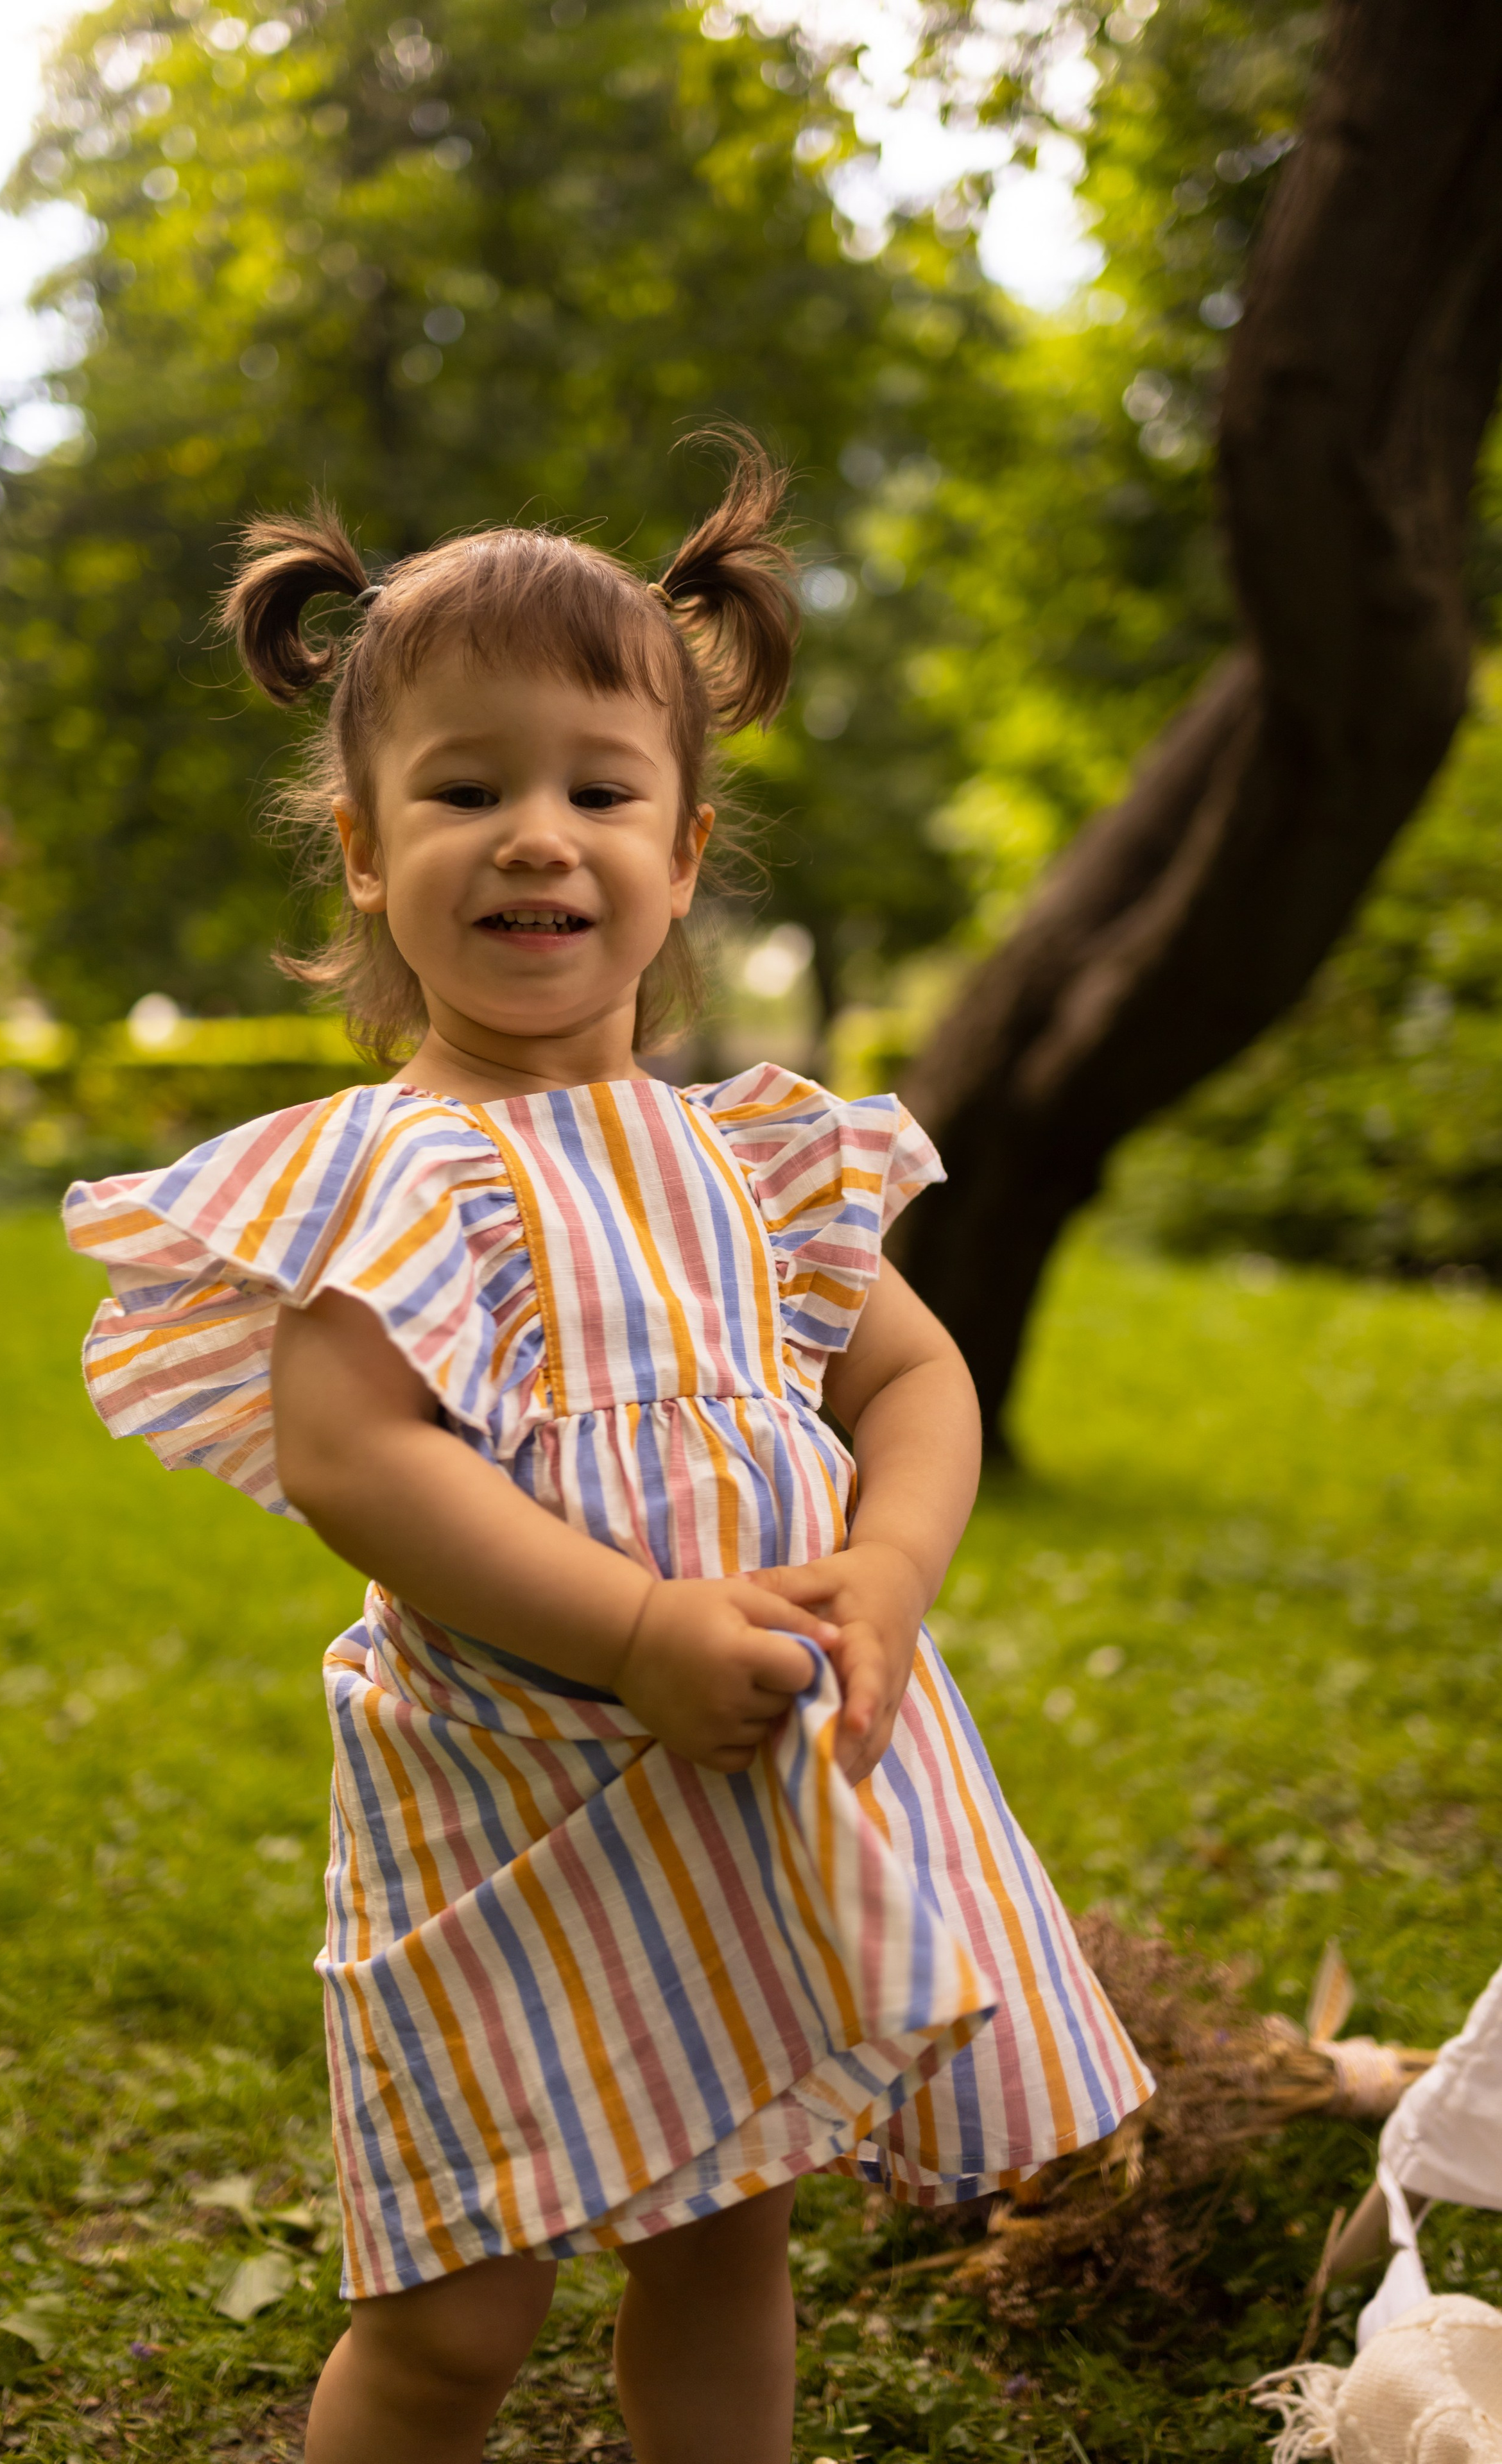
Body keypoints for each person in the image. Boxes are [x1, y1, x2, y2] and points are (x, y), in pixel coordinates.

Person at [63, 434, 1150, 2464]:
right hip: (503, 1798)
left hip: (739, 1787)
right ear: (370, 854)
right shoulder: (386, 1170)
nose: (536, 838)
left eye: (597, 790)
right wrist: (643, 1626)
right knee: (457, 2311)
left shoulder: (756, 1159)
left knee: (724, 2244)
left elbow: (914, 1386)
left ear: (683, 840)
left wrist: (890, 1575)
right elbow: (361, 1465)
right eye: (466, 792)